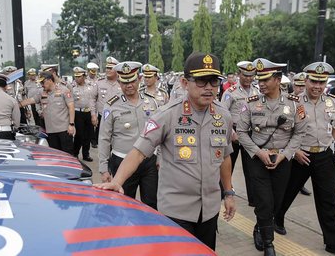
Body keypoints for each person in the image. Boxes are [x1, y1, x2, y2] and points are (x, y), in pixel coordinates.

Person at [94, 53, 236, 250]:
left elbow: (225, 156)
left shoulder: (224, 116)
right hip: (176, 213)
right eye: (202, 81)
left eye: (214, 81)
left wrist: (228, 193)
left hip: (209, 211)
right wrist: (117, 182)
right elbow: (138, 151)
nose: (209, 87)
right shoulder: (167, 115)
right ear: (185, 83)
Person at [275, 62, 335, 256]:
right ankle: (277, 218)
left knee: (328, 199)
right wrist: (295, 151)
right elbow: (284, 133)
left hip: (325, 156)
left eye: (322, 82)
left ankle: (333, 242)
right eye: (314, 81)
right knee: (287, 192)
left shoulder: (331, 102)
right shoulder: (292, 102)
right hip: (300, 155)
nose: (317, 86)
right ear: (306, 80)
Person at [237, 58, 307, 256]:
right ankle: (269, 243)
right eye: (259, 79)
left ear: (277, 79)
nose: (261, 83)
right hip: (258, 160)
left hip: (282, 160)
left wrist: (285, 155)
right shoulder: (250, 104)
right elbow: (241, 132)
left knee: (276, 201)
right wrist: (258, 152)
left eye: (266, 79)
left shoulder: (294, 104)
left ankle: (260, 226)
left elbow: (299, 133)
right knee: (264, 201)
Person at [98, 61, 159, 209]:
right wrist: (104, 168)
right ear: (119, 82)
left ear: (139, 79)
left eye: (132, 80)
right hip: (122, 161)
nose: (129, 85)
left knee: (151, 203)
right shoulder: (112, 105)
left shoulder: (151, 102)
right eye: (124, 82)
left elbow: (159, 132)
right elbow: (104, 138)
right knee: (124, 204)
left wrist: (160, 156)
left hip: (149, 161)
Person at [221, 61, 260, 206]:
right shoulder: (230, 93)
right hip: (234, 135)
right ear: (239, 75)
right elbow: (223, 114)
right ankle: (222, 193)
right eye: (245, 75)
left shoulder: (257, 92)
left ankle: (254, 200)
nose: (248, 78)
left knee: (252, 168)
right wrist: (231, 132)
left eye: (251, 75)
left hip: (251, 134)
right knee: (227, 166)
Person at [20, 71, 75, 154]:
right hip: (51, 131)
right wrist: (16, 105)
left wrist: (71, 125)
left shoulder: (64, 90)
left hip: (64, 130)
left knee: (68, 154)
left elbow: (71, 107)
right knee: (55, 155)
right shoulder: (41, 92)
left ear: (49, 80)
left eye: (43, 82)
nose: (42, 84)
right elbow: (30, 100)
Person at [91, 56, 121, 148]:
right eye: (107, 68)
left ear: (116, 70)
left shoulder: (122, 83)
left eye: (110, 68)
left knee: (117, 141)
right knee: (104, 142)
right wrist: (93, 115)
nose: (107, 70)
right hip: (102, 117)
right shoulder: (99, 83)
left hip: (119, 117)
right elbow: (92, 99)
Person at [292, 72, 312, 196]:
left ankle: (301, 185)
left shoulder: (309, 101)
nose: (300, 88)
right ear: (293, 85)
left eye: (302, 86)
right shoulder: (289, 101)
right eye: (298, 86)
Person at [71, 66, 96, 162]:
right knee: (79, 135)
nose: (77, 78)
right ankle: (75, 153)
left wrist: (94, 114)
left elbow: (93, 100)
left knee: (88, 135)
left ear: (84, 76)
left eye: (79, 76)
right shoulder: (72, 87)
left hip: (88, 112)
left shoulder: (91, 85)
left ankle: (86, 154)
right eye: (76, 77)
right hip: (78, 113)